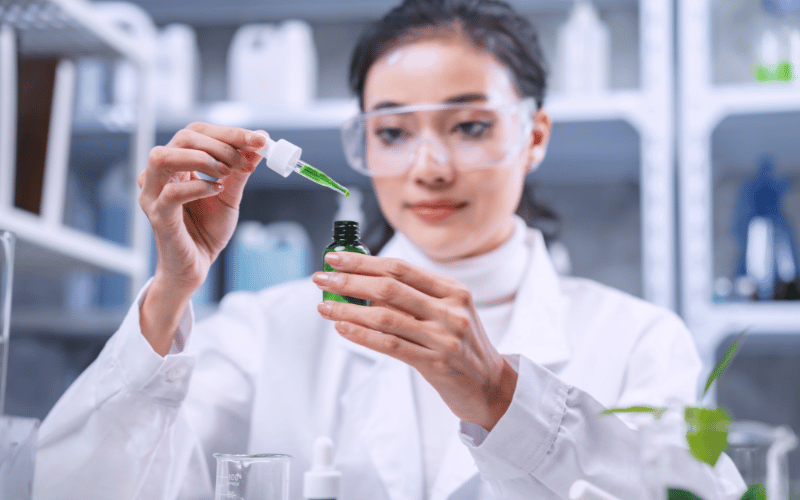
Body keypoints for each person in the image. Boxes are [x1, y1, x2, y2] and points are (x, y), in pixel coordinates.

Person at [34, 1, 746, 499]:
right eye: (395, 132)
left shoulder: (637, 339)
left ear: (533, 137)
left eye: (469, 126)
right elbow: (80, 488)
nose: (429, 167)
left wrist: (504, 398)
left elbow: (693, 493)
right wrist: (170, 293)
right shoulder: (265, 330)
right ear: (364, 143)